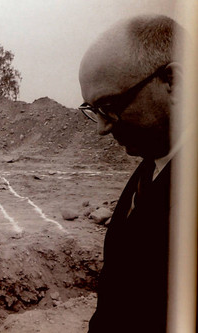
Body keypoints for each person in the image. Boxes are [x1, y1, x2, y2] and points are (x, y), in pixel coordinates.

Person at [78, 15, 183, 333]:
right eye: (93, 110)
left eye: (110, 105)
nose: (101, 128)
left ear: (173, 82)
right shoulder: (151, 165)